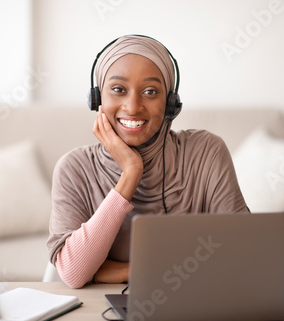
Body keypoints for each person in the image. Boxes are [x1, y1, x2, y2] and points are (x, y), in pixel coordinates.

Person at [46, 35, 248, 289]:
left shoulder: (206, 152)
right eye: (118, 90)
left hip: (192, 304)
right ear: (96, 99)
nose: (132, 107)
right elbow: (75, 273)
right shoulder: (74, 168)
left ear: (171, 104)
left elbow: (241, 255)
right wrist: (131, 172)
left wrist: (111, 270)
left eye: (150, 92)